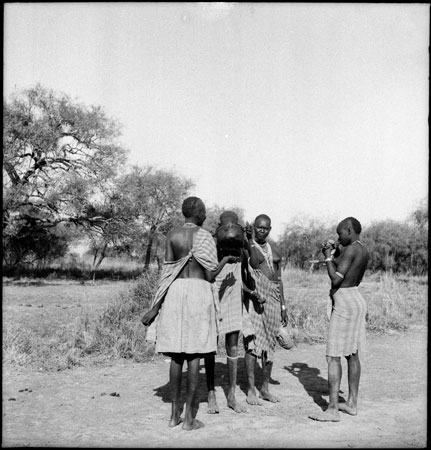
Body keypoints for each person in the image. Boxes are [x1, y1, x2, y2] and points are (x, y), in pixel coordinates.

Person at [141, 196, 237, 431]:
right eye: (204, 212)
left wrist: (156, 306)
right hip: (198, 292)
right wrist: (226, 259)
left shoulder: (172, 235)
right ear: (199, 212)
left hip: (174, 292)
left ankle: (174, 415)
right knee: (194, 355)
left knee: (176, 355)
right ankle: (189, 419)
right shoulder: (204, 236)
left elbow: (168, 273)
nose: (206, 216)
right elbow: (211, 275)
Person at [309, 217, 369, 422]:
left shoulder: (351, 249)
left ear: (349, 230)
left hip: (344, 302)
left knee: (333, 355)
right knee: (352, 353)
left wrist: (327, 258)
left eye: (339, 233)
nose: (338, 237)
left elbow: (336, 278)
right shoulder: (362, 250)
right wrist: (332, 255)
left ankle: (333, 409)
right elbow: (347, 271)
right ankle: (352, 403)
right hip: (356, 299)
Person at [204, 211, 261, 414]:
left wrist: (249, 240)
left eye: (233, 228)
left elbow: (254, 264)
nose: (230, 232)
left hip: (234, 297)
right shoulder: (211, 247)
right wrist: (224, 257)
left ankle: (231, 396)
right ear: (219, 229)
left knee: (233, 346)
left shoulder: (241, 247)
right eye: (226, 228)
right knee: (209, 346)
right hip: (214, 294)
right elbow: (208, 275)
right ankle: (211, 394)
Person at [243, 214, 288, 404]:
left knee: (270, 345)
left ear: (270, 229)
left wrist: (283, 305)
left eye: (265, 228)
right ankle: (251, 389)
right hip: (254, 298)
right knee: (253, 343)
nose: (262, 231)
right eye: (259, 228)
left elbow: (278, 280)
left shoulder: (275, 250)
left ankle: (265, 389)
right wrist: (249, 241)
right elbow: (253, 263)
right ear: (254, 227)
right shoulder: (248, 247)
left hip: (272, 300)